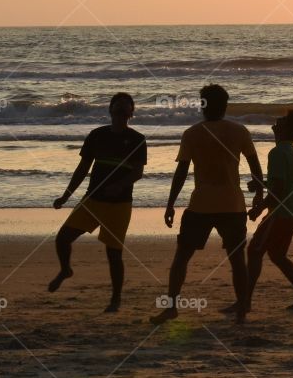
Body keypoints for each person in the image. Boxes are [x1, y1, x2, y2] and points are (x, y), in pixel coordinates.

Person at [151, 84, 263, 325]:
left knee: (182, 256)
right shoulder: (239, 131)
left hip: (201, 205)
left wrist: (170, 204)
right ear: (225, 106)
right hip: (232, 205)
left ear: (203, 105)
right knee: (236, 259)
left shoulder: (192, 133)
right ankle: (242, 308)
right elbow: (255, 166)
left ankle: (171, 307)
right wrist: (259, 195)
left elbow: (181, 172)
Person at [49, 92, 147, 313]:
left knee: (114, 254)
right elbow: (82, 169)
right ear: (110, 110)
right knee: (62, 239)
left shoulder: (137, 139)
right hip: (92, 199)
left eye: (126, 107)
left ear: (132, 113)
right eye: (117, 105)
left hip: (120, 204)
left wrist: (119, 185)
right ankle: (65, 270)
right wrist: (66, 196)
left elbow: (137, 173)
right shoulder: (97, 135)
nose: (121, 109)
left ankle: (115, 299)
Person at [247, 109, 293, 311]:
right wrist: (262, 182)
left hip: (282, 213)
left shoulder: (276, 152)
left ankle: (245, 301)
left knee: (254, 251)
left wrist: (260, 207)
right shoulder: (291, 150)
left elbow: (280, 190)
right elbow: (284, 182)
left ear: (286, 128)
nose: (278, 120)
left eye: (283, 120)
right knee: (277, 256)